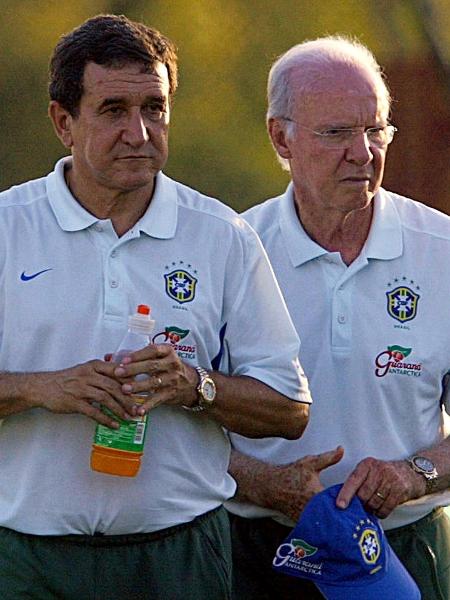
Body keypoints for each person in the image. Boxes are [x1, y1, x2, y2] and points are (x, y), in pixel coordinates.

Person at [0, 15, 312, 600]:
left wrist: (195, 386)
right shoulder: (7, 228)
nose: (140, 133)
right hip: (26, 559)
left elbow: (291, 408)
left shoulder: (221, 235)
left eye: (155, 108)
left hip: (179, 556)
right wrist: (41, 388)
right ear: (63, 122)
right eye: (114, 111)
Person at [227, 35, 450, 600]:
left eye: (375, 130)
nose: (364, 152)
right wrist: (265, 483)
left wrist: (412, 473)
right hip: (257, 550)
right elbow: (182, 425)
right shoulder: (232, 250)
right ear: (282, 136)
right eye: (336, 133)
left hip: (403, 550)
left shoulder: (442, 250)